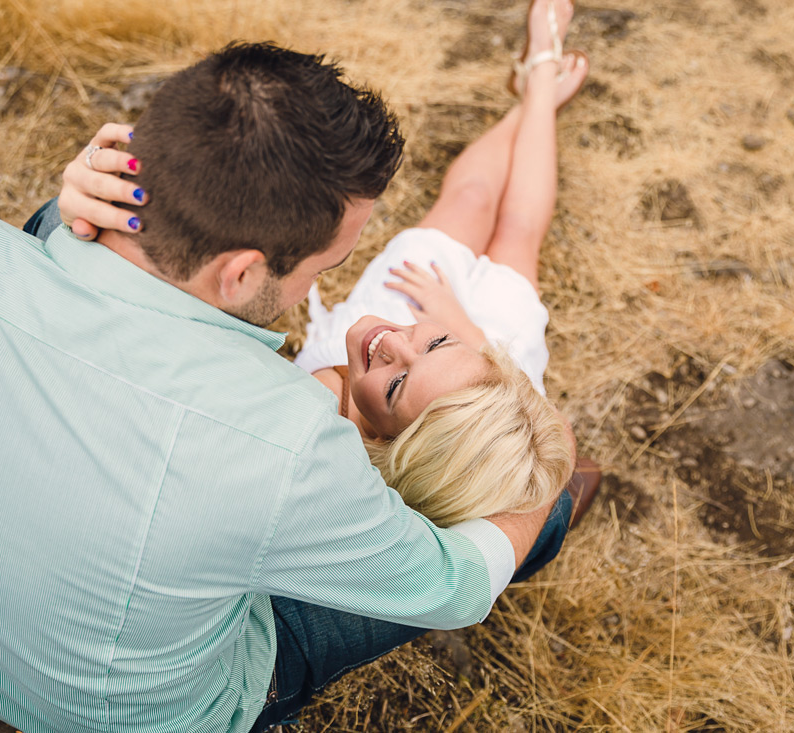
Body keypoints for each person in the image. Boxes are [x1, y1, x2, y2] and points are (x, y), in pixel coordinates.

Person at [0, 11, 590, 733]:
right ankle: (558, 514)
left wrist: (52, 225)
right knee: (530, 512)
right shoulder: (288, 442)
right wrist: (547, 457)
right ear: (240, 274)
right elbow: (456, 582)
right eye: (327, 266)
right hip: (148, 716)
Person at [53, 2, 596, 531]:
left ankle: (535, 92)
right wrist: (466, 340)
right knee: (510, 221)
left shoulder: (320, 422)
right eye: (410, 365)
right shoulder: (411, 394)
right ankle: (539, 89)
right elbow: (532, 422)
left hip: (429, 331)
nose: (392, 345)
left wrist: (436, 349)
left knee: (471, 200)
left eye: (395, 382)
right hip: (490, 357)